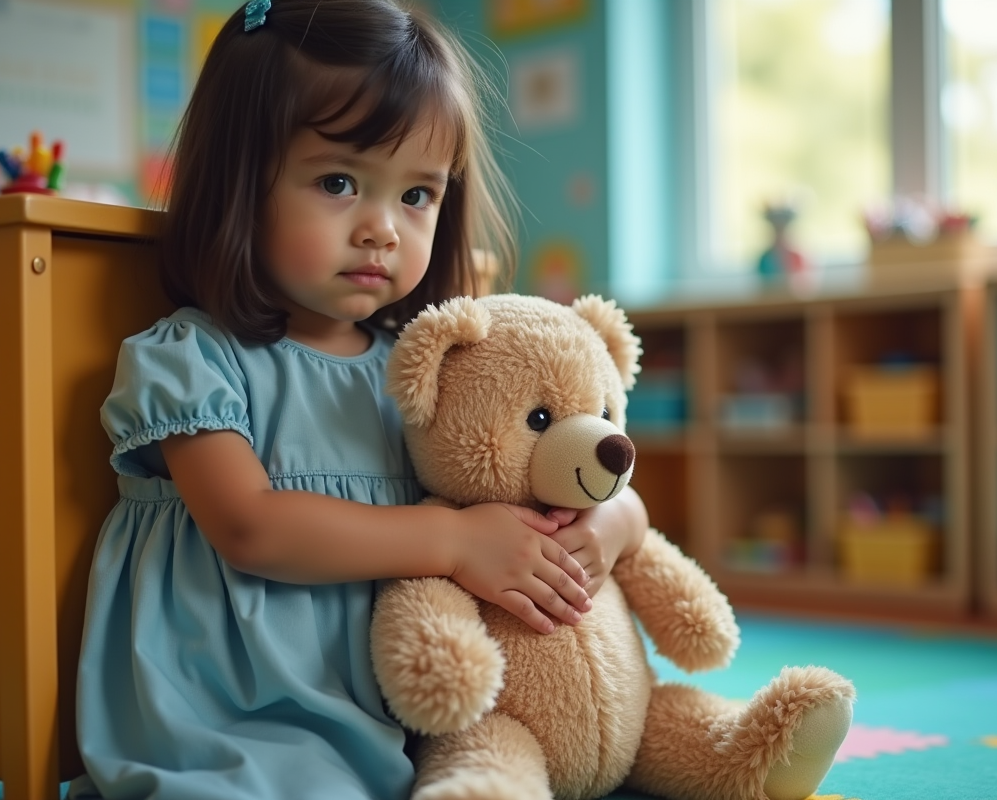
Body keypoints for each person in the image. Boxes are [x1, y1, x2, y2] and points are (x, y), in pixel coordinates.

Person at [68, 2, 649, 798]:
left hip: (399, 706)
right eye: (339, 182)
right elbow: (252, 528)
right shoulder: (192, 359)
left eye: (418, 194)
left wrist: (611, 526)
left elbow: (542, 480)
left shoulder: (420, 369)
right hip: (230, 710)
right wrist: (450, 542)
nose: (382, 228)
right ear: (242, 182)